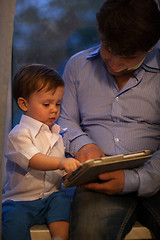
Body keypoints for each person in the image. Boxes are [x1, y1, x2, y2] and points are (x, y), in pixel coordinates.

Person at [57, 0, 160, 239]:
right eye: (107, 47)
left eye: (127, 56)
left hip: (155, 172)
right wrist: (84, 144)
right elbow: (64, 120)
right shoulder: (78, 66)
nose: (113, 63)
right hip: (98, 179)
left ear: (150, 48)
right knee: (89, 232)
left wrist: (134, 179)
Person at [2, 64, 81, 240]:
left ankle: (59, 238)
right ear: (24, 104)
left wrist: (69, 172)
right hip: (20, 200)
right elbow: (34, 159)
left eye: (58, 103)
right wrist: (61, 163)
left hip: (50, 197)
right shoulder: (18, 134)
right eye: (47, 104)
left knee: (62, 202)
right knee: (12, 219)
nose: (54, 109)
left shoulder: (57, 134)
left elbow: (59, 170)